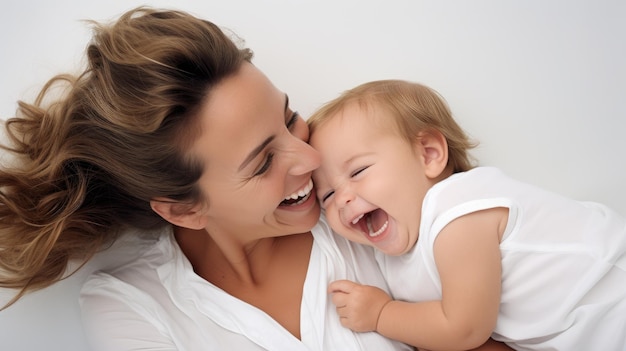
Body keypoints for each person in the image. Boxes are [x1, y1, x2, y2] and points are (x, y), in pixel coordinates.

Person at [0, 7, 512, 351]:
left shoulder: (368, 215)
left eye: (289, 118)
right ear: (184, 209)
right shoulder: (132, 309)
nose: (310, 159)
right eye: (263, 162)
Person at [307, 79, 626, 350]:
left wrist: (381, 314)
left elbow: (465, 327)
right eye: (328, 195)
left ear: (428, 154)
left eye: (359, 170)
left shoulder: (457, 208)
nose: (343, 199)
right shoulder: (388, 256)